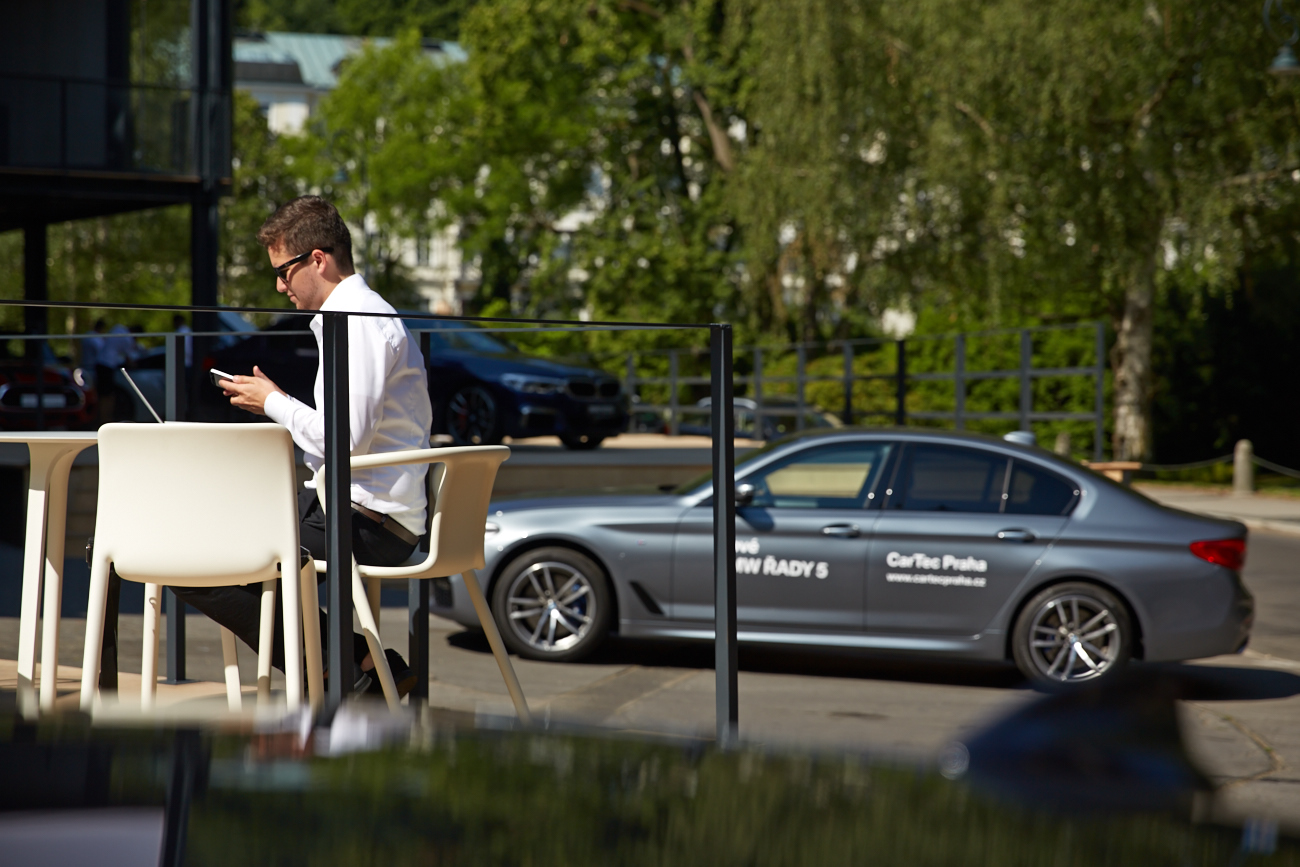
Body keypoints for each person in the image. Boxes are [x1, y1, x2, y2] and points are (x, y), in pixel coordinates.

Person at [172, 195, 433, 699]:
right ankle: (360, 661)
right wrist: (276, 402)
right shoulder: (354, 317)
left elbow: (346, 441)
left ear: (318, 259)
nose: (279, 285)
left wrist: (273, 403)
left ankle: (340, 673)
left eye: (283, 271)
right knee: (208, 543)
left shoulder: (358, 321)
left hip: (367, 519)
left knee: (190, 557)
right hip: (354, 506)